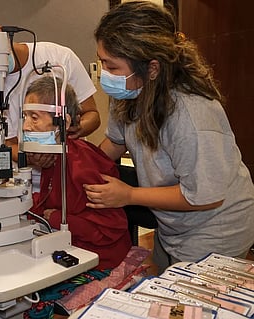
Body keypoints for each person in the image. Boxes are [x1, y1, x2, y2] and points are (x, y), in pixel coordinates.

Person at [84, 1, 254, 274]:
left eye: (112, 67)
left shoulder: (192, 114)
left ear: (152, 68)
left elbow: (203, 197)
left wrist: (128, 194)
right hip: (173, 225)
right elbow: (116, 143)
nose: (104, 73)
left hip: (216, 227)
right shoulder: (128, 94)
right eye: (102, 61)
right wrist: (81, 166)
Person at [0, 14, 100, 172]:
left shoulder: (60, 58)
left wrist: (77, 129)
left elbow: (92, 114)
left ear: (0, 34)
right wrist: (33, 158)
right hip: (26, 178)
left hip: (69, 171)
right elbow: (8, 144)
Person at [24, 76, 131, 270]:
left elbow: (109, 228)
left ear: (62, 122)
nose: (25, 126)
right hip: (72, 245)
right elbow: (54, 200)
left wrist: (56, 218)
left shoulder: (82, 165)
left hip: (101, 260)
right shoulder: (53, 157)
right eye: (25, 117)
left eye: (34, 117)